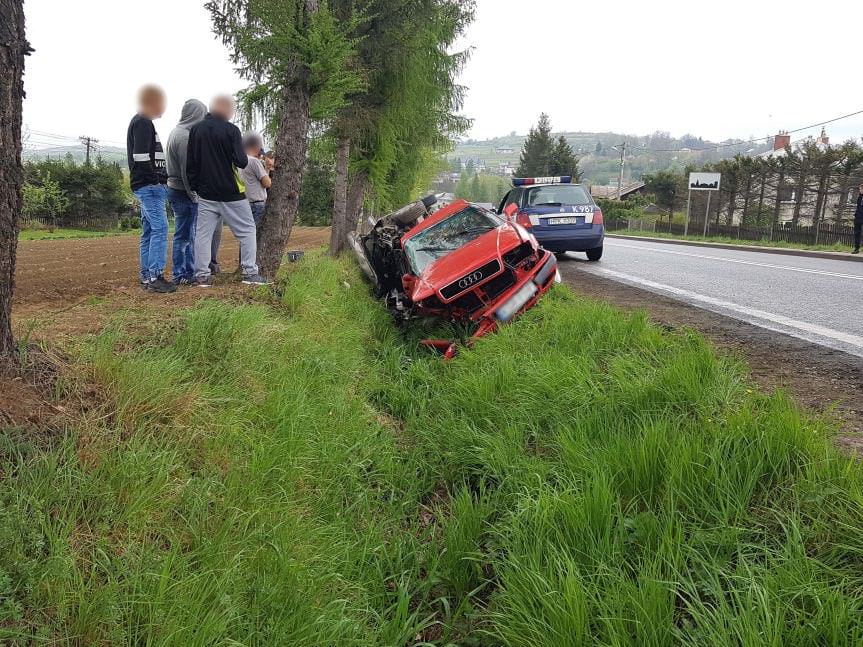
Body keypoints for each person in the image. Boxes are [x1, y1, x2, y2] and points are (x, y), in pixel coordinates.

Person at [187, 95, 270, 287]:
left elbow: (190, 164)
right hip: (231, 192)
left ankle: (201, 276)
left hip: (206, 193)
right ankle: (250, 272)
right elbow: (241, 161)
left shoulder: (196, 130)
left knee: (203, 235)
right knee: (248, 230)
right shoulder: (231, 130)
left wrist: (196, 187)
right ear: (224, 109)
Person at [126, 84, 176, 293]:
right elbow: (141, 156)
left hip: (145, 185)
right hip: (150, 186)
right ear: (152, 103)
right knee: (160, 229)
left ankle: (147, 276)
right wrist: (155, 179)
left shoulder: (140, 122)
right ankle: (155, 276)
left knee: (148, 231)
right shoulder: (143, 123)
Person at [165, 99, 206, 285]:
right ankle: (180, 275)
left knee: (188, 235)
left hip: (177, 189)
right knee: (183, 236)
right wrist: (193, 194)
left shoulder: (177, 131)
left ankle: (189, 273)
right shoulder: (184, 137)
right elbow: (186, 170)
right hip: (183, 191)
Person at [239, 132, 272, 228]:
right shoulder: (254, 161)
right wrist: (267, 169)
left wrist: (266, 169)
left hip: (244, 202)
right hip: (257, 204)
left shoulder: (239, 160)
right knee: (256, 234)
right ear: (256, 145)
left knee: (246, 233)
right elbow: (267, 183)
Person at [854, 185, 863, 255]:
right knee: (857, 233)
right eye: (860, 189)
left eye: (861, 189)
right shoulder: (860, 197)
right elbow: (858, 206)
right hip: (858, 217)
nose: (860, 190)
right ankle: (856, 248)